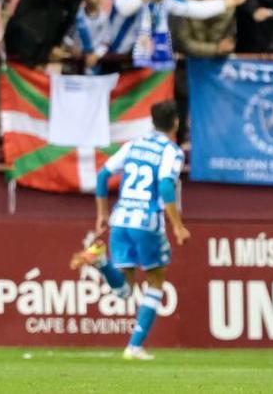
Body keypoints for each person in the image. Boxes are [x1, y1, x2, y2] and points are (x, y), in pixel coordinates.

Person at [78, 101, 188, 360]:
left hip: (120, 220)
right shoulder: (171, 152)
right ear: (176, 122)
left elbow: (103, 175)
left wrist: (103, 213)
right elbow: (164, 187)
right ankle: (135, 346)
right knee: (156, 280)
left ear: (152, 121)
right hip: (147, 222)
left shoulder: (133, 145)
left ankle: (102, 261)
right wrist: (178, 226)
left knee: (125, 290)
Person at [107, 0, 247, 69]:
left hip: (144, 59)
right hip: (114, 57)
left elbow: (194, 8)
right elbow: (125, 9)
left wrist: (228, 2)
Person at [67, 0, 111, 68]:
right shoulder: (76, 15)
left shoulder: (104, 18)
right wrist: (71, 47)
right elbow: (66, 36)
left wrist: (96, 55)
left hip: (94, 63)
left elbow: (106, 42)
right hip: (74, 61)